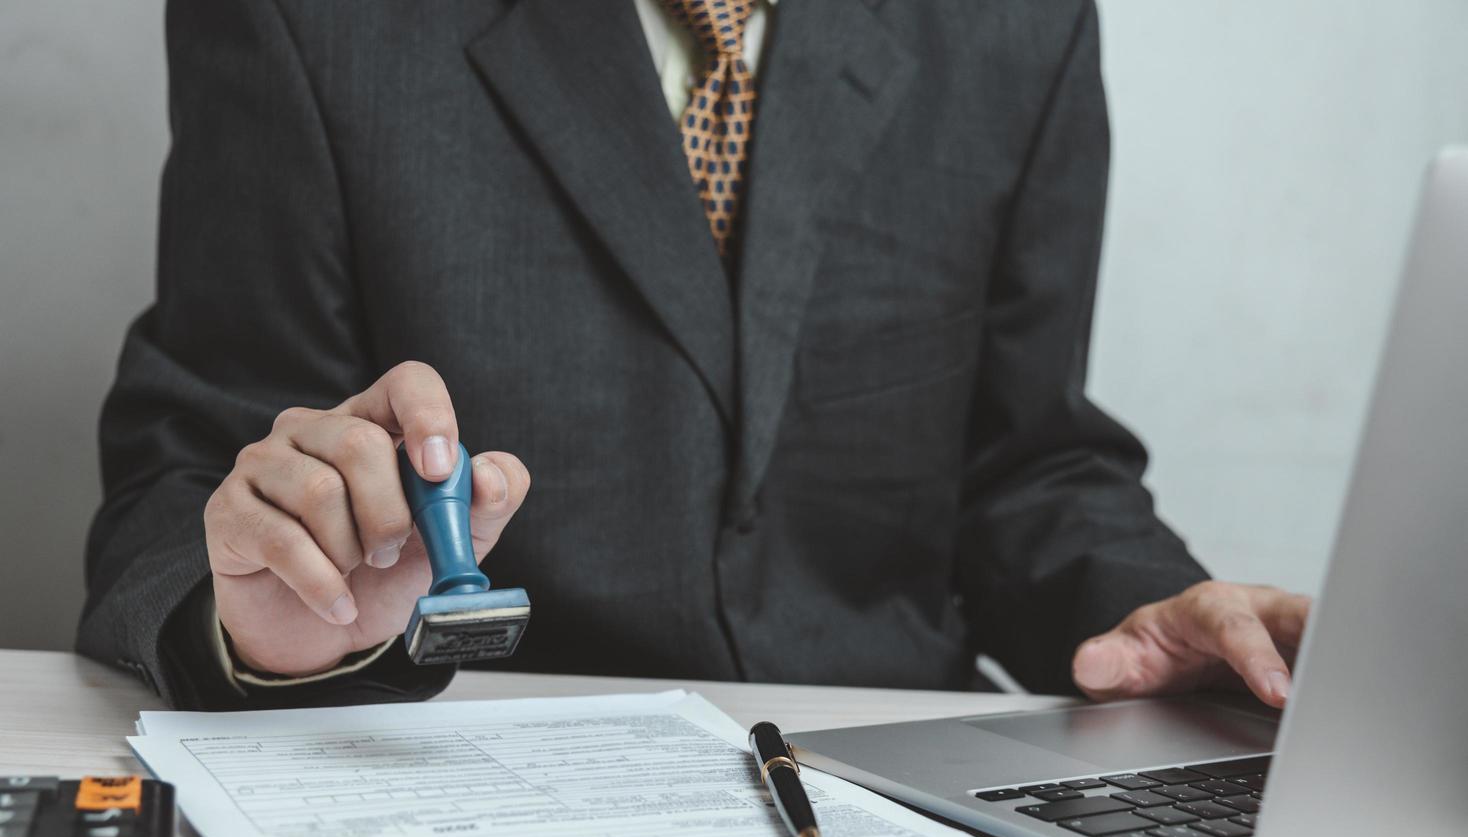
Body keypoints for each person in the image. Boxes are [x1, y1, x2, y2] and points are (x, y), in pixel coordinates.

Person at [79, 0, 1309, 712]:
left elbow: (1027, 467)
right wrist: (276, 618)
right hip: (464, 781)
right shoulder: (308, 20)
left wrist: (1143, 608)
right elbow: (186, 477)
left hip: (902, 809)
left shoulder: (1015, 25)